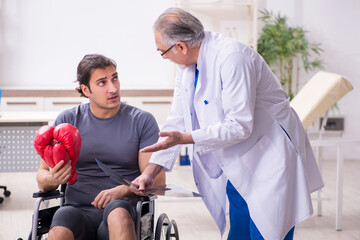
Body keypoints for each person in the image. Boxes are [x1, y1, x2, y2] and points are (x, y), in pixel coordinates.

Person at [131, 7, 324, 240]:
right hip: (239, 160)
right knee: (240, 231)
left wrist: (185, 139)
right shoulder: (187, 66)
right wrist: (150, 173)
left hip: (271, 155)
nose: (164, 57)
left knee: (268, 231)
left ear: (180, 46)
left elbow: (239, 125)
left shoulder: (234, 58)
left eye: (162, 52)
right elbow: (178, 119)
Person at [36, 54, 165, 240]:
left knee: (118, 214)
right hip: (77, 209)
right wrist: (53, 178)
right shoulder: (67, 120)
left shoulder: (142, 121)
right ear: (86, 90)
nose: (113, 88)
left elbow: (158, 181)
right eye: (102, 83)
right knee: (61, 222)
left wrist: (125, 190)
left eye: (115, 78)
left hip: (123, 208)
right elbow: (42, 177)